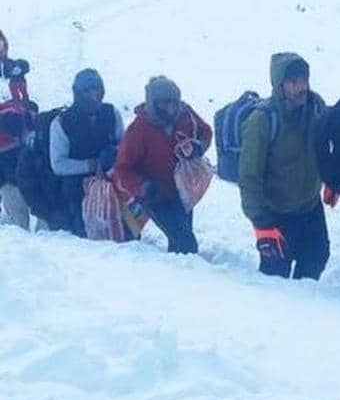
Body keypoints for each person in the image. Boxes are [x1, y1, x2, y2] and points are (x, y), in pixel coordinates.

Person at [238, 53, 330, 279]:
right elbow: (249, 176)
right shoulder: (261, 121)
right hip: (276, 214)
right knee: (274, 277)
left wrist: (333, 180)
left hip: (311, 207)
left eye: (304, 80)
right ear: (280, 85)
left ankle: (302, 301)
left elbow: (326, 145)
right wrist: (261, 224)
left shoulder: (316, 107)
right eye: (293, 82)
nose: (301, 87)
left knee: (316, 258)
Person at [113, 76, 212, 254]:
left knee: (182, 235)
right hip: (155, 196)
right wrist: (142, 187)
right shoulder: (138, 129)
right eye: (165, 103)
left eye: (174, 103)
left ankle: (175, 267)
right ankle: (184, 267)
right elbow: (123, 169)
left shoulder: (186, 114)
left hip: (183, 191)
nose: (171, 108)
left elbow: (205, 132)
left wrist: (198, 147)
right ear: (153, 103)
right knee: (184, 241)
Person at [49, 69, 125, 238]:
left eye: (97, 90)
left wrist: (114, 154)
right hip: (77, 188)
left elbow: (123, 144)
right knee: (86, 237)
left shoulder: (112, 113)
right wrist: (91, 165)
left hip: (112, 181)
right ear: (77, 94)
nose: (93, 96)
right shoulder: (61, 123)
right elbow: (58, 164)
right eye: (87, 92)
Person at [0, 30, 34, 229]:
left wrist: (27, 109)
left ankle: (21, 230)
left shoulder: (11, 69)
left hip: (16, 141)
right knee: (10, 187)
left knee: (18, 185)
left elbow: (22, 98)